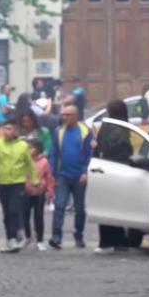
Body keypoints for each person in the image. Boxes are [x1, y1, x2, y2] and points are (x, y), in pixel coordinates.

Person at [0, 122, 35, 253]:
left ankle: (15, 236)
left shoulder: (22, 146)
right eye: (4, 129)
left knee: (14, 210)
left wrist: (34, 179)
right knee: (6, 212)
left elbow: (29, 164)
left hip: (18, 182)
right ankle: (10, 238)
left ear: (16, 131)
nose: (6, 131)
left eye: (9, 129)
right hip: (2, 182)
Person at [93, 100, 139, 254]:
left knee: (109, 207)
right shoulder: (120, 126)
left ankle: (110, 241)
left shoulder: (114, 126)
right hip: (115, 170)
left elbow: (106, 146)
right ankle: (117, 241)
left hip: (110, 170)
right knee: (113, 207)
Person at [48, 105, 94, 250]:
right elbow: (54, 152)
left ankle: (78, 235)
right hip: (63, 175)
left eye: (68, 115)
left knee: (80, 208)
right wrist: (53, 172)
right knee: (59, 205)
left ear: (76, 116)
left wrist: (86, 172)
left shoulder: (85, 131)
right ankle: (56, 236)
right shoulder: (58, 131)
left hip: (79, 176)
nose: (64, 117)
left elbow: (89, 154)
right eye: (63, 115)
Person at [22, 138, 53, 252]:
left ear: (39, 149)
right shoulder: (24, 161)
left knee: (38, 216)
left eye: (31, 147)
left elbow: (49, 177)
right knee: (25, 216)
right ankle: (27, 237)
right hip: (25, 192)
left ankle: (40, 240)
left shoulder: (44, 162)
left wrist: (50, 191)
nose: (29, 150)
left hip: (39, 192)